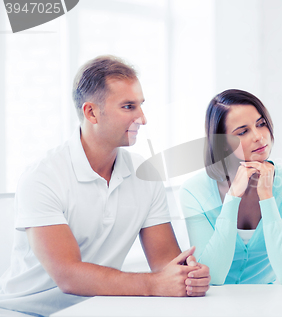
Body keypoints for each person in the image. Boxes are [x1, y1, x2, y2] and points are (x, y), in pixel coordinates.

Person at [0, 55, 210, 316]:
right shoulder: (42, 177)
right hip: (26, 312)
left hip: (97, 308)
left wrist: (188, 274)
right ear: (91, 112)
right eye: (128, 107)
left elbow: (165, 263)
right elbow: (69, 276)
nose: (142, 119)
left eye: (140, 105)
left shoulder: (145, 174)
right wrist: (155, 283)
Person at [179, 89, 282, 285]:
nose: (259, 137)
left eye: (261, 124)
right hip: (212, 306)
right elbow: (212, 276)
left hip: (270, 305)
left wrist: (267, 197)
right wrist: (232, 198)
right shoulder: (194, 191)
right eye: (242, 131)